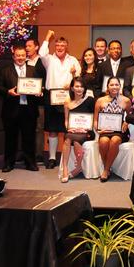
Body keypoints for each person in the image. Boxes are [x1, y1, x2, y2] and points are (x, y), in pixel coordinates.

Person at [0, 44, 40, 172]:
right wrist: (7, 91)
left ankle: (30, 163)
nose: (20, 58)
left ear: (26, 56)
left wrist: (39, 92)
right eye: (18, 55)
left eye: (23, 55)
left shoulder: (33, 70)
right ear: (13, 56)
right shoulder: (5, 70)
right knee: (10, 138)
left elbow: (39, 86)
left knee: (29, 138)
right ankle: (9, 163)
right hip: (11, 110)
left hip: (29, 110)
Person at [39, 29, 81, 169]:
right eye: (57, 45)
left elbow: (78, 78)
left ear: (66, 46)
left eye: (62, 45)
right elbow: (41, 53)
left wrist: (73, 77)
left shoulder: (73, 60)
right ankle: (52, 158)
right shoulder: (49, 59)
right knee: (52, 129)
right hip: (51, 97)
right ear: (54, 46)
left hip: (68, 97)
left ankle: (67, 158)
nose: (60, 47)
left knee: (68, 129)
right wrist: (48, 37)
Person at [94, 77, 131, 182]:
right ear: (107, 86)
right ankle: (107, 167)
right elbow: (95, 120)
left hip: (120, 131)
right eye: (111, 85)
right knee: (104, 141)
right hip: (105, 130)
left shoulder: (126, 100)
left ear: (120, 86)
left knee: (115, 140)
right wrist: (98, 130)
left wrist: (126, 122)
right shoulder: (100, 101)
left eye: (116, 85)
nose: (114, 87)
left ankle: (106, 170)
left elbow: (131, 116)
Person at [62, 77, 95, 182]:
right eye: (77, 86)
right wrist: (69, 128)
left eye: (82, 86)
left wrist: (86, 128)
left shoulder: (90, 100)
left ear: (84, 88)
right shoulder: (67, 102)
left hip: (87, 131)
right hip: (73, 130)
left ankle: (78, 167)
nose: (79, 89)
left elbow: (94, 119)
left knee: (75, 140)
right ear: (72, 88)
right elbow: (66, 120)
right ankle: (65, 168)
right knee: (68, 137)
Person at [25, 37, 47, 165]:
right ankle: (26, 153)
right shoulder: (24, 62)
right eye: (26, 46)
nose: (27, 48)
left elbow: (47, 78)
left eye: (29, 46)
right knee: (26, 127)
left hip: (39, 101)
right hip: (25, 100)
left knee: (39, 128)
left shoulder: (43, 61)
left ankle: (38, 155)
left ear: (37, 47)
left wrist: (42, 88)